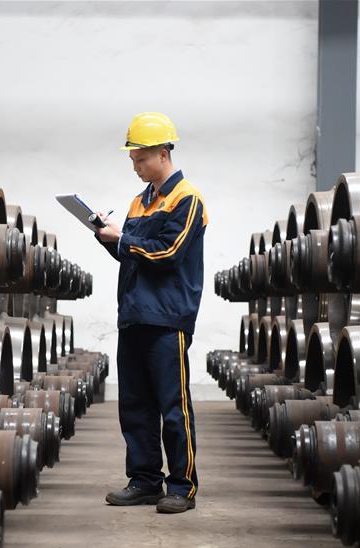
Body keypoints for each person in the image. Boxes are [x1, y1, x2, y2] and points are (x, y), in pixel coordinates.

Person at [95, 112, 208, 514]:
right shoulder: (139, 202)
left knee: (173, 406)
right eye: (132, 160)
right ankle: (145, 480)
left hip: (167, 317)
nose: (136, 167)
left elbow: (168, 252)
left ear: (163, 153)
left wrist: (122, 239)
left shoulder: (187, 199)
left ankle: (182, 486)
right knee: (135, 405)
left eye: (140, 159)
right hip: (135, 315)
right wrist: (108, 236)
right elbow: (132, 255)